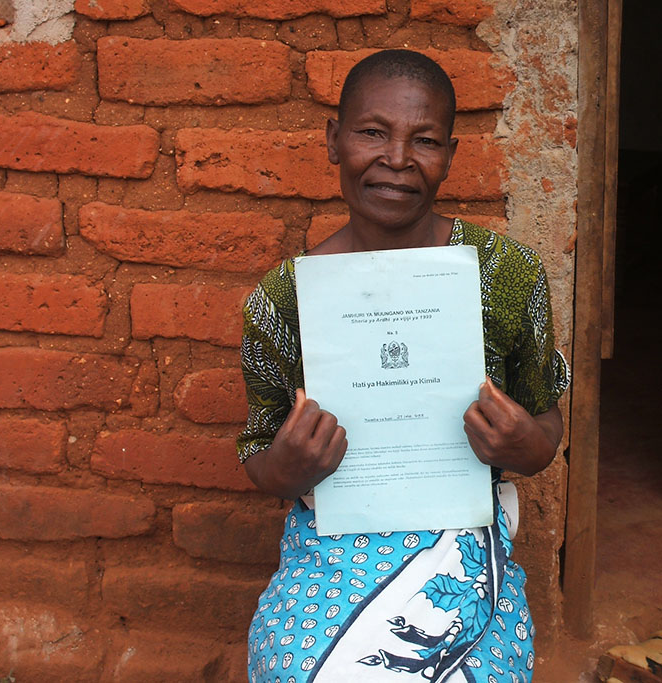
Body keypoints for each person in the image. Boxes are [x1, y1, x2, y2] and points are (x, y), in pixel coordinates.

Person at [237, 49, 570, 683]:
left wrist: (526, 443)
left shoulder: (506, 276)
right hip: (331, 540)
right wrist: (287, 465)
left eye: (425, 141)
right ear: (334, 142)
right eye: (371, 133)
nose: (396, 159)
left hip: (463, 538)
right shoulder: (283, 300)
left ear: (450, 155)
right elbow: (261, 458)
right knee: (300, 668)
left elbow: (543, 431)